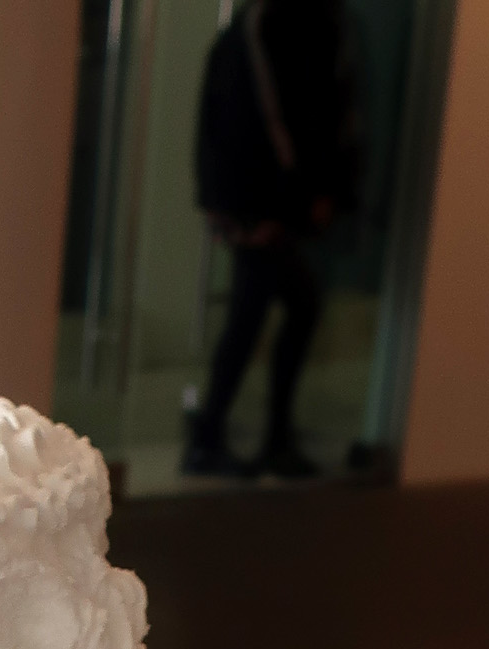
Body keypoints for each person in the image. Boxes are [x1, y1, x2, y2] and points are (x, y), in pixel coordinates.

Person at [186, 0, 362, 480]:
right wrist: (287, 200)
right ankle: (223, 437)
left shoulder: (274, 23)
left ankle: (236, 436)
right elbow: (268, 115)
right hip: (262, 204)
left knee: (281, 308)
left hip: (261, 201)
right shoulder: (270, 26)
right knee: (266, 312)